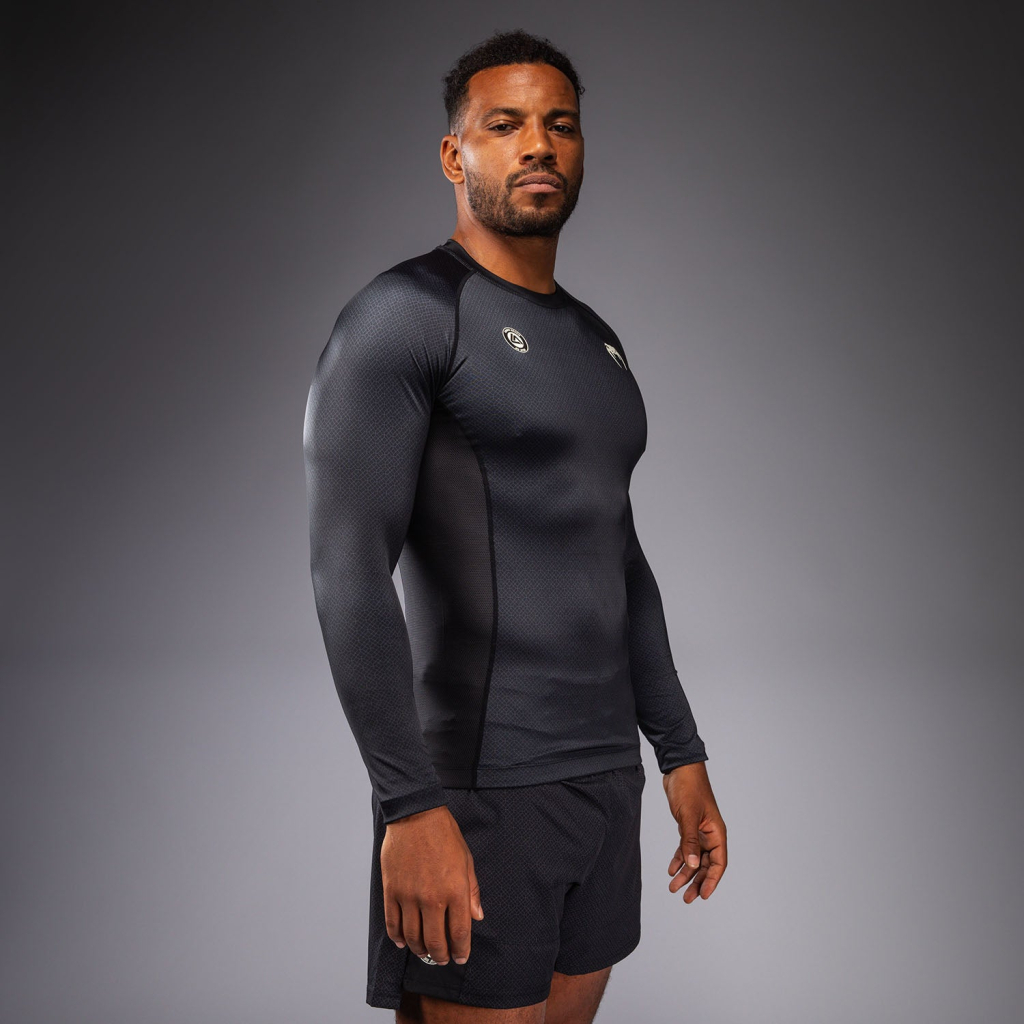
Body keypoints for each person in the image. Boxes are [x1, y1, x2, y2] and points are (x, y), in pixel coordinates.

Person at [303, 28, 728, 1024]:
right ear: (456, 155)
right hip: (480, 787)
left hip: (603, 781)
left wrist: (680, 754)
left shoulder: (596, 340)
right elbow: (347, 568)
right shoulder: (407, 316)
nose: (538, 144)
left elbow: (619, 558)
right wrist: (409, 803)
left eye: (559, 125)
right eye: (505, 125)